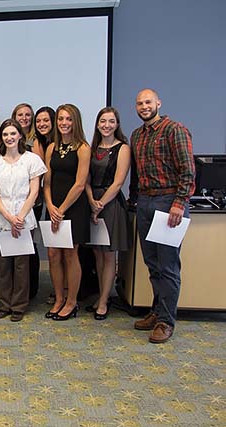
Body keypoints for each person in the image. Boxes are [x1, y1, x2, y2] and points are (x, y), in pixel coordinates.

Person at [129, 88, 194, 343]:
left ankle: (167, 321)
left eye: (148, 102)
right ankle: (157, 311)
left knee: (168, 265)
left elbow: (188, 171)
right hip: (145, 201)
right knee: (152, 263)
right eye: (139, 103)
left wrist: (179, 203)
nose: (144, 106)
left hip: (169, 203)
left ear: (158, 103)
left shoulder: (174, 129)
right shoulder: (137, 136)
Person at [0, 119, 46, 322]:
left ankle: (19, 306)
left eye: (13, 134)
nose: (9, 138)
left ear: (20, 135)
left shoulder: (31, 159)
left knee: (22, 265)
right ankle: (5, 304)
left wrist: (19, 217)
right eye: (5, 134)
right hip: (2, 217)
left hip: (24, 217)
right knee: (4, 264)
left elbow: (34, 191)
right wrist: (7, 216)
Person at [43, 104, 91, 321]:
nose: (64, 123)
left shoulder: (82, 148)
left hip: (73, 208)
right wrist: (51, 206)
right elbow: (47, 182)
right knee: (53, 254)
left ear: (75, 122)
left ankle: (72, 302)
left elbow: (80, 184)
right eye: (61, 119)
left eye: (68, 119)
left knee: (70, 254)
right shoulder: (52, 147)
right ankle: (59, 298)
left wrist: (61, 210)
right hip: (53, 206)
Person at [84, 107, 131, 320]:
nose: (106, 125)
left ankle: (104, 300)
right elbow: (85, 179)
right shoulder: (92, 148)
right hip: (91, 200)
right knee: (97, 253)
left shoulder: (122, 148)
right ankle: (101, 294)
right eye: (103, 121)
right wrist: (91, 201)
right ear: (97, 124)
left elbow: (119, 181)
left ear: (117, 124)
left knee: (109, 254)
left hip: (110, 205)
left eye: (111, 121)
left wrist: (100, 204)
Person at [32, 106, 55, 302]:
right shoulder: (39, 142)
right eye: (38, 121)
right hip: (43, 198)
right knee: (50, 247)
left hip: (61, 198)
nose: (42, 124)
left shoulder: (60, 143)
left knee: (68, 249)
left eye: (46, 120)